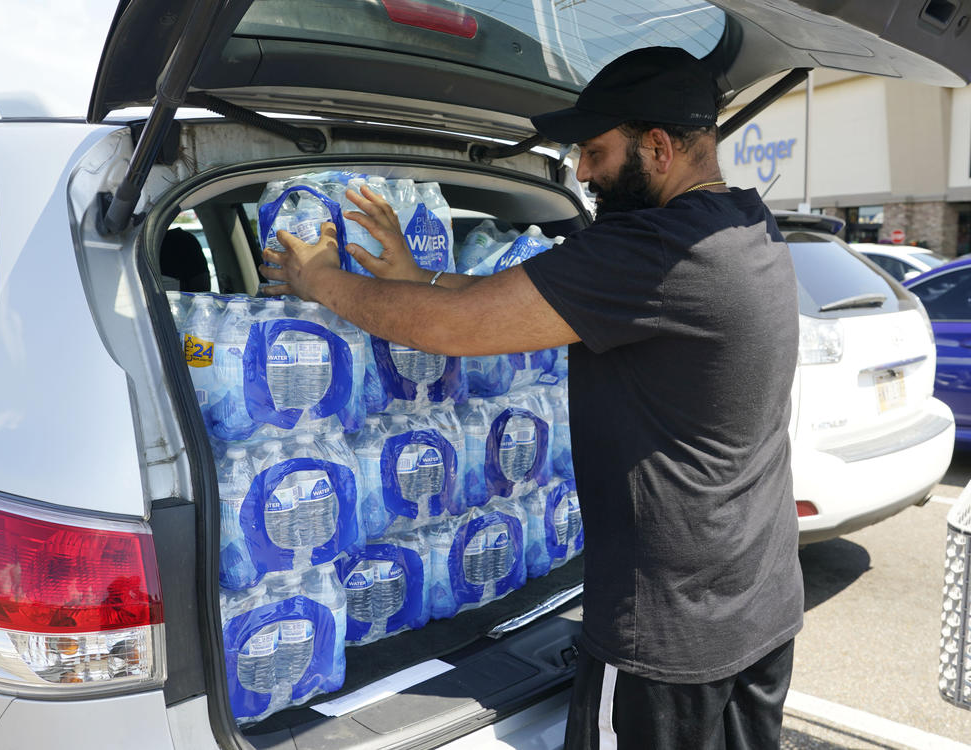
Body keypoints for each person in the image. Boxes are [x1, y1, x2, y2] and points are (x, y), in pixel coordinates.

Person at [259, 46, 804, 749]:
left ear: (660, 147)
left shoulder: (652, 250)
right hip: (757, 607)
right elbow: (517, 302)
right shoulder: (744, 229)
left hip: (668, 637)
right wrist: (417, 275)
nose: (580, 171)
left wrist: (323, 282)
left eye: (595, 151)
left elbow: (458, 329)